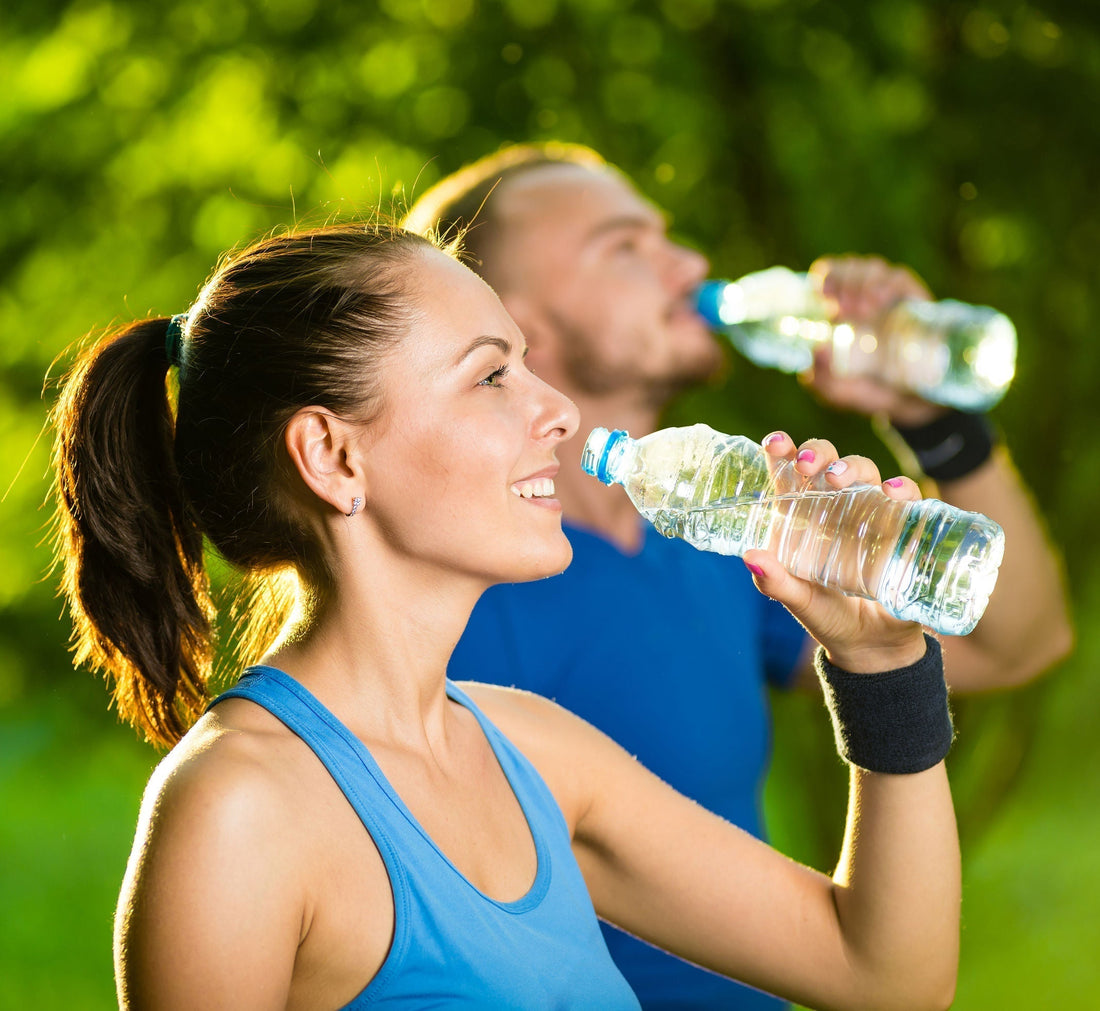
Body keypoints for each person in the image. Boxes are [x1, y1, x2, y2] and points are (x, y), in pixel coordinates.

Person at [51, 220, 961, 1010]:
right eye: (491, 377)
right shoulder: (238, 810)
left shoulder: (539, 753)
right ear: (331, 456)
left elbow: (886, 972)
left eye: (527, 363)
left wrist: (881, 665)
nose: (560, 411)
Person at [402, 144, 1074, 1009]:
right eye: (626, 248)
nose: (688, 266)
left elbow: (1020, 640)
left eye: (668, 237)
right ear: (509, 318)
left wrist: (933, 416)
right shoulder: (445, 593)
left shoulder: (713, 533)